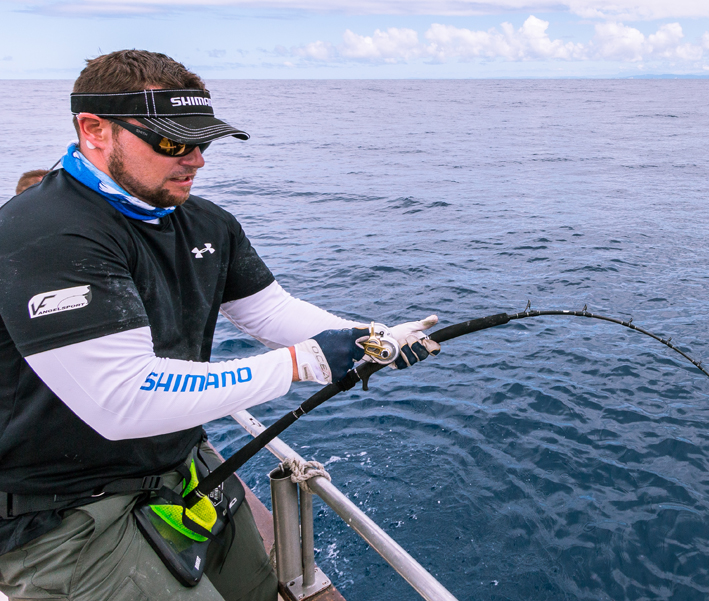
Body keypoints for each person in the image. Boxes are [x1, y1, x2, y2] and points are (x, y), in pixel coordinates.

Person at [0, 50, 440, 601]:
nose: (195, 160)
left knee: (257, 590)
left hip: (179, 469)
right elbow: (123, 401)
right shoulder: (45, 234)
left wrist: (370, 336)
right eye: (171, 142)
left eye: (202, 142)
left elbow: (271, 311)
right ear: (94, 130)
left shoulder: (205, 221)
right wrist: (302, 362)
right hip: (64, 513)